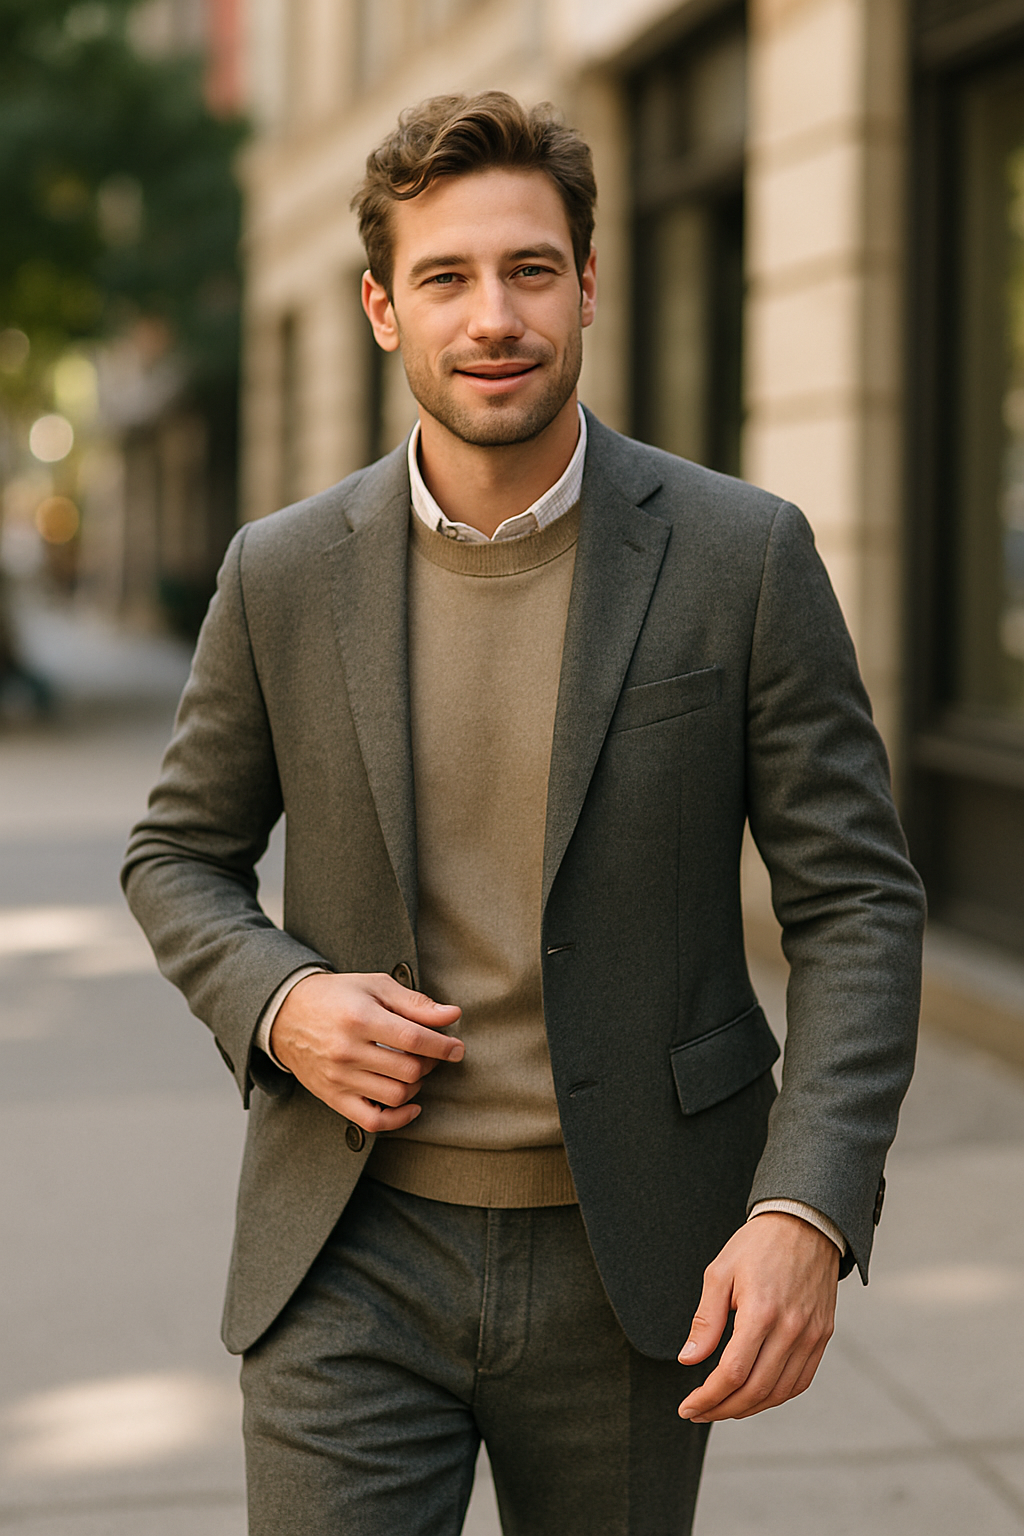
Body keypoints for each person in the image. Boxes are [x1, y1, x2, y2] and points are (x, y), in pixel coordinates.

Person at [122, 92, 925, 1535]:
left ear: (587, 286)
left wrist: (806, 1206)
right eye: (445, 277)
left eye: (529, 269)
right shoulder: (283, 574)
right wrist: (280, 998)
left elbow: (857, 903)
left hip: (635, 1260)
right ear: (382, 309)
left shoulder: (743, 559)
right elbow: (177, 853)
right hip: (346, 1243)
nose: (492, 315)